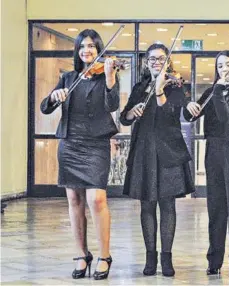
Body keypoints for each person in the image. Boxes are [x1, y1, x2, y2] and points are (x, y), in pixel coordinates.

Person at [40, 29, 119, 280]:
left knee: (96, 200)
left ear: (99, 50)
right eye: (82, 46)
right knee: (74, 200)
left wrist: (109, 78)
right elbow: (45, 107)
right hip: (70, 144)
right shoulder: (68, 77)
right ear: (77, 50)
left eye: (92, 46)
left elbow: (113, 105)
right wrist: (54, 96)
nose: (87, 50)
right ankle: (81, 253)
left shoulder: (105, 75)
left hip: (96, 145)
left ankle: (105, 255)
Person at [120, 43, 194, 277]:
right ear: (146, 62)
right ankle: (150, 257)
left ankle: (167, 259)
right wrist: (133, 112)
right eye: (151, 59)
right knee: (147, 205)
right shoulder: (140, 87)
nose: (155, 62)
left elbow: (173, 115)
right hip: (144, 151)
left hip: (168, 152)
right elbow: (124, 118)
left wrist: (160, 90)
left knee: (168, 206)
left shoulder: (175, 87)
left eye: (160, 59)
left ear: (168, 62)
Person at [184, 51, 229, 278]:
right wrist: (190, 107)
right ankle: (214, 260)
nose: (223, 68)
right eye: (220, 65)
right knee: (216, 208)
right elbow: (191, 117)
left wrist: (219, 90)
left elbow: (225, 115)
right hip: (213, 151)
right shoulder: (213, 90)